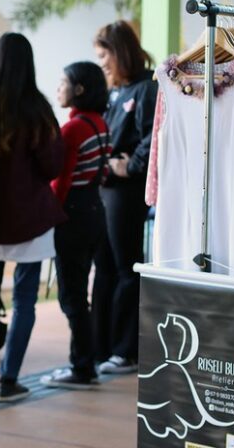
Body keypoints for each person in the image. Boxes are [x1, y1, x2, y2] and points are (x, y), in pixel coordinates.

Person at [0, 32, 66, 402]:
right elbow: (53, 165)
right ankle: (9, 381)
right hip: (29, 219)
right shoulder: (36, 110)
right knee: (24, 298)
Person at [92, 20, 158, 374]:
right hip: (104, 190)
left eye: (104, 56)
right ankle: (100, 346)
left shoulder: (147, 88)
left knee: (125, 267)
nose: (102, 63)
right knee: (103, 267)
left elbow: (153, 138)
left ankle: (125, 350)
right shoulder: (114, 92)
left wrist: (130, 167)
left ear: (119, 53)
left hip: (126, 193)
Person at [41, 62, 111, 389]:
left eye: (63, 82)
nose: (58, 88)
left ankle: (81, 367)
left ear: (79, 89)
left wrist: (47, 216)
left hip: (72, 217)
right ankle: (87, 362)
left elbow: (61, 181)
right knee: (80, 292)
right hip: (95, 211)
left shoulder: (72, 129)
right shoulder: (99, 123)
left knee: (72, 296)